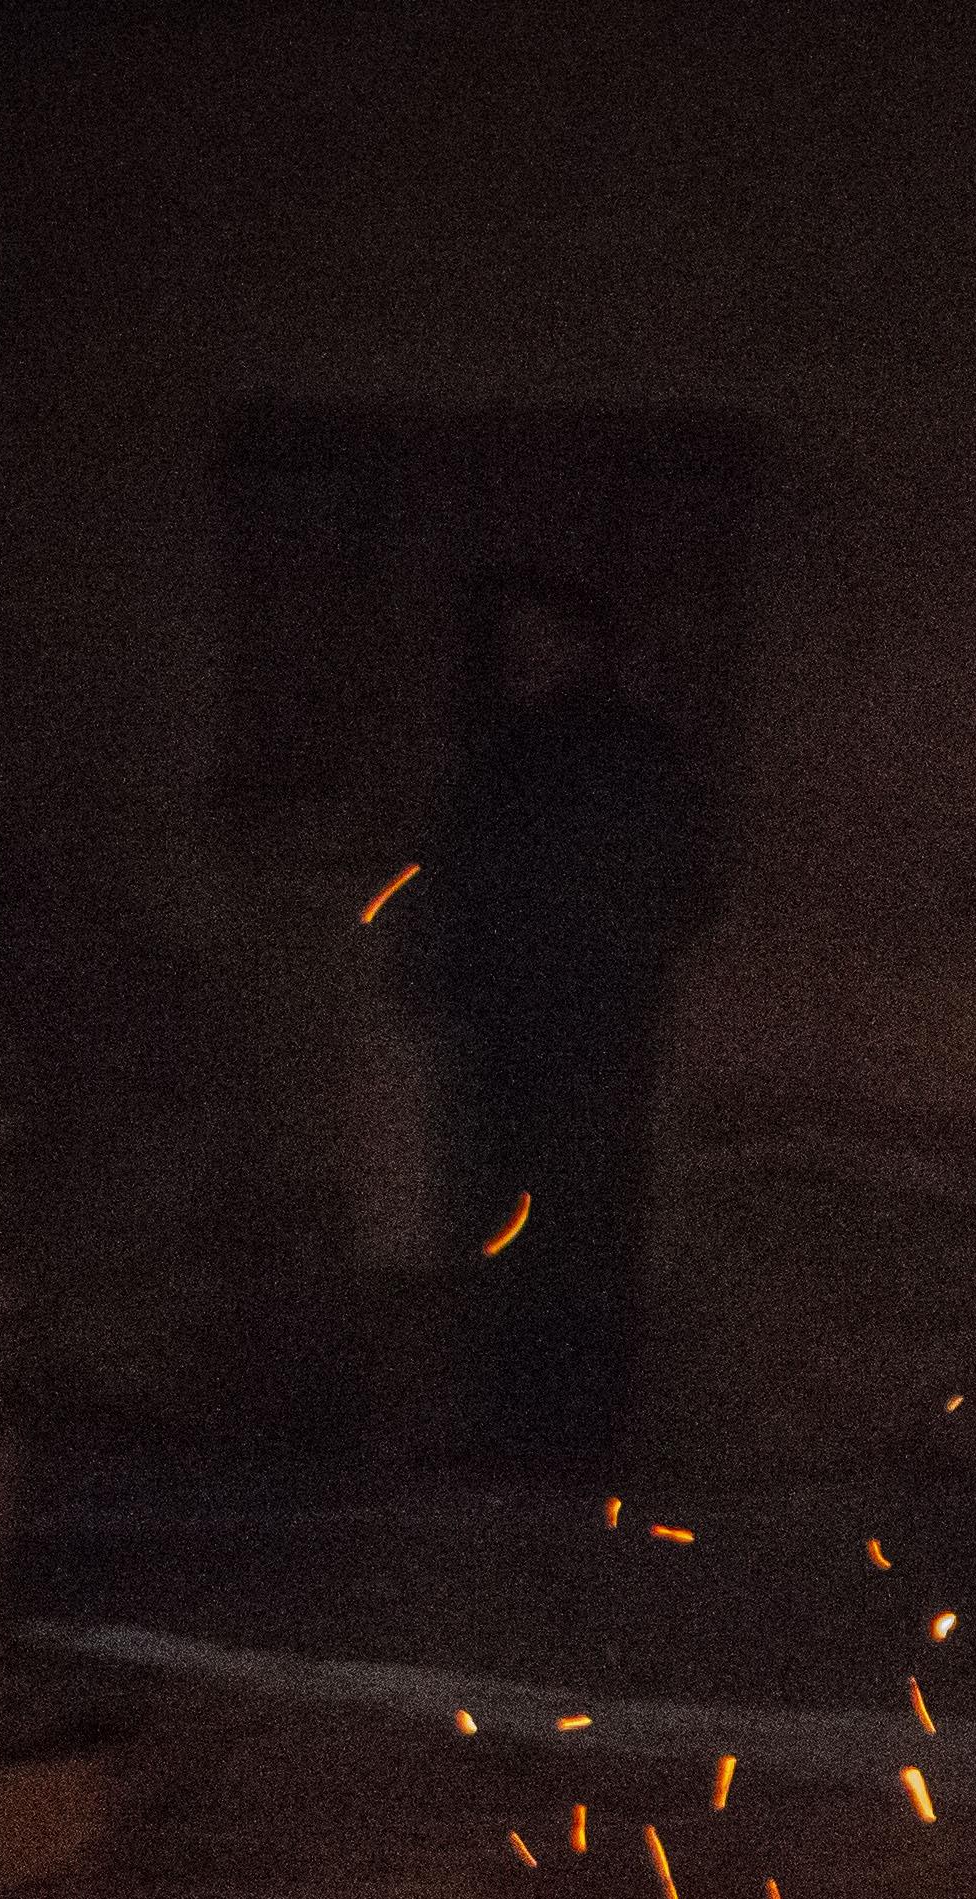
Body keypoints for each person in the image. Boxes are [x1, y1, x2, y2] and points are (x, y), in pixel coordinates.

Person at [409, 573, 713, 1480]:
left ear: (586, 647)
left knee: (576, 1223)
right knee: (516, 1218)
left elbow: (667, 887)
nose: (527, 662)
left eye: (545, 642)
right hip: (514, 1028)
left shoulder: (620, 755)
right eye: (515, 645)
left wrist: (585, 960)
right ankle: (523, 1428)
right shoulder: (508, 752)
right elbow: (464, 877)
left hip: (582, 1027)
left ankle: (567, 1435)